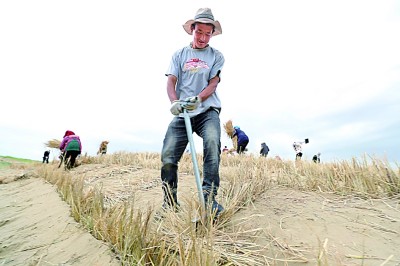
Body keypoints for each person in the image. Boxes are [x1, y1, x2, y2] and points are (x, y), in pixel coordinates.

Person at [160, 7, 224, 217]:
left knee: (213, 144)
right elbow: (171, 81)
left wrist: (199, 98)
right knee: (169, 155)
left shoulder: (216, 56)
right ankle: (169, 203)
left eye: (208, 33)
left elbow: (213, 84)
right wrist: (174, 102)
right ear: (192, 30)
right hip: (182, 113)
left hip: (207, 111)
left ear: (212, 34)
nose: (203, 38)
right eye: (199, 32)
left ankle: (209, 200)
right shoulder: (179, 55)